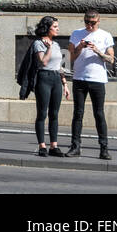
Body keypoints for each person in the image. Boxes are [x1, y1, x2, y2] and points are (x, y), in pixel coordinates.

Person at [67, 9, 114, 159]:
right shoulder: (76, 33)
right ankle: (75, 146)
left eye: (93, 23)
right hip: (80, 78)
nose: (89, 26)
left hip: (97, 79)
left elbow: (111, 59)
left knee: (99, 114)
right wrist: (80, 48)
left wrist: (98, 51)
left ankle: (104, 148)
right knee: (78, 113)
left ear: (98, 21)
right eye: (87, 22)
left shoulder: (105, 35)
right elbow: (71, 57)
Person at [31, 16, 69, 157]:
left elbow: (60, 66)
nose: (57, 29)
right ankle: (42, 146)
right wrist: (49, 48)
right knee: (42, 113)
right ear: (47, 28)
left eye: (57, 26)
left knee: (54, 114)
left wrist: (65, 84)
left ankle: (54, 146)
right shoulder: (39, 43)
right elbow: (43, 63)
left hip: (56, 79)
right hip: (44, 78)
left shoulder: (57, 44)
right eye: (55, 27)